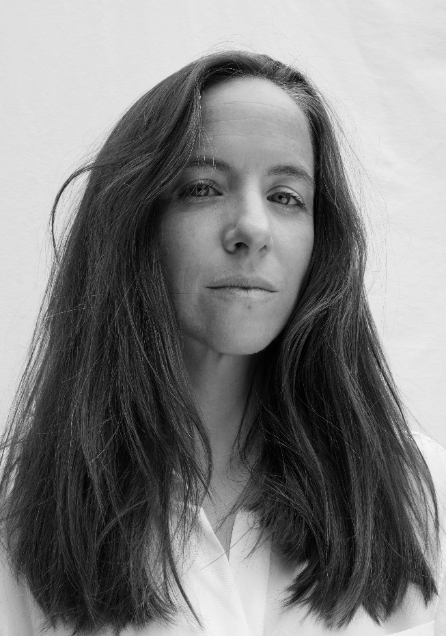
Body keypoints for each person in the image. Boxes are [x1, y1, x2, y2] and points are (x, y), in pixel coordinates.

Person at [0, 50, 444, 636]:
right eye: (204, 188)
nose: (252, 228)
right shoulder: (22, 516)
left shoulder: (413, 489)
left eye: (286, 196)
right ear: (135, 223)